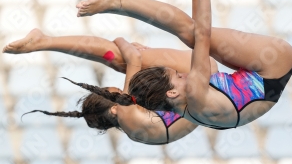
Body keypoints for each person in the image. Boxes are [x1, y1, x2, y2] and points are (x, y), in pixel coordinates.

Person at [75, 0, 292, 131]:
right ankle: (118, 0)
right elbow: (202, 35)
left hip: (263, 84)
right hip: (273, 64)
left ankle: (117, 0)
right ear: (171, 92)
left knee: (193, 36)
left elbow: (201, 39)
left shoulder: (184, 109)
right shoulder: (196, 94)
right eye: (177, 76)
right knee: (191, 34)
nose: (183, 73)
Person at [4, 29, 215, 144]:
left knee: (129, 67)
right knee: (118, 58)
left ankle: (45, 42)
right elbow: (134, 56)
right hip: (205, 75)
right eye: (115, 92)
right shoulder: (127, 111)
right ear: (114, 107)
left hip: (206, 95)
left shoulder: (132, 131)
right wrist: (122, 41)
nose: (120, 89)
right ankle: (43, 42)